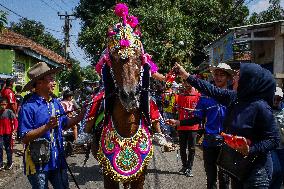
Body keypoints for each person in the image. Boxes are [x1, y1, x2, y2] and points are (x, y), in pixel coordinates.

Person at [174, 62, 280, 189]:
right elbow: (211, 90)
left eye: (239, 76)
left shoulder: (261, 107)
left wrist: (250, 149)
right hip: (237, 166)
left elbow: (274, 140)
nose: (234, 78)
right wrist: (186, 75)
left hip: (257, 170)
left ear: (248, 81)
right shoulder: (234, 97)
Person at [18, 62, 86, 189]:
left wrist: (81, 115)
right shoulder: (28, 107)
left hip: (58, 161)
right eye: (51, 79)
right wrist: (46, 127)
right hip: (38, 164)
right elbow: (25, 137)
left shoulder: (55, 103)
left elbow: (65, 124)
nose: (54, 83)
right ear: (39, 83)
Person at [167, 63, 234, 188]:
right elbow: (197, 118)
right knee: (211, 179)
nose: (218, 77)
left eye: (222, 75)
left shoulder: (232, 96)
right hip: (210, 142)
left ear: (228, 77)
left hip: (227, 143)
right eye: (216, 74)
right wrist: (178, 122)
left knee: (225, 179)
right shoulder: (205, 97)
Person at [174, 82, 200, 177]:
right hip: (181, 126)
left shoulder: (198, 96)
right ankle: (184, 166)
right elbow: (176, 110)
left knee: (192, 149)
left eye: (189, 83)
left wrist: (194, 111)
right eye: (185, 83)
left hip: (193, 127)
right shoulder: (180, 96)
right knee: (182, 148)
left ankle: (189, 167)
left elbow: (201, 111)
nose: (187, 85)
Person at [269, 87, 284, 189]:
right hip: (271, 146)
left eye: (278, 99)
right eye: (274, 98)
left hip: (282, 146)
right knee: (276, 170)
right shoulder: (266, 109)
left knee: (281, 172)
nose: (275, 101)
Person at [0, 97, 18, 170]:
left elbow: (15, 121)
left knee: (8, 149)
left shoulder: (9, 112)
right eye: (1, 104)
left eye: (4, 104)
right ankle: (0, 164)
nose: (3, 106)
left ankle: (9, 162)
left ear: (7, 104)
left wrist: (14, 130)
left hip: (8, 133)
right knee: (0, 148)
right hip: (0, 134)